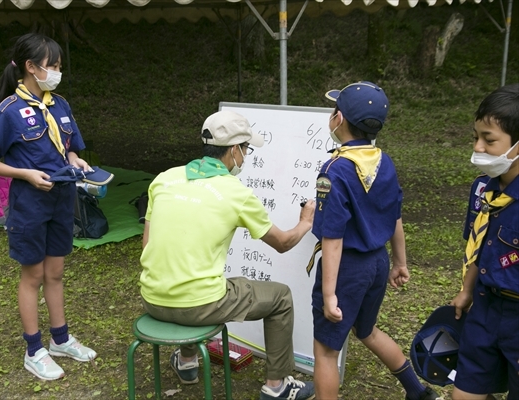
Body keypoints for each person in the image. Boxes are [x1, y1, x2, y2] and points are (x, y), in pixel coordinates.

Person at [139, 110, 317, 400]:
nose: (246, 157)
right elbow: (283, 243)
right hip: (200, 305)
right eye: (246, 150)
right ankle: (277, 386)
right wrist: (306, 222)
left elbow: (147, 247)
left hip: (152, 299)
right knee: (281, 296)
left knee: (193, 277)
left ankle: (186, 362)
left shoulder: (163, 179)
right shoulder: (236, 192)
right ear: (234, 150)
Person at [0, 33, 96, 380]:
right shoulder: (10, 112)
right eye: (53, 66)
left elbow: (70, 147)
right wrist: (25, 174)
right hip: (30, 203)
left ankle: (60, 339)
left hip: (61, 198)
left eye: (58, 65)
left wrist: (77, 160)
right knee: (33, 275)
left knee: (55, 272)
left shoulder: (60, 104)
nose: (57, 72)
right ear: (31, 67)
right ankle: (34, 349)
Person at [310, 81, 440, 400]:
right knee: (366, 331)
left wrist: (329, 294)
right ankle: (417, 391)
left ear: (338, 119)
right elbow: (395, 217)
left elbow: (333, 237)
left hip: (348, 270)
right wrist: (400, 262)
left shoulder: (335, 170)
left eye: (333, 110)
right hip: (378, 263)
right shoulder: (384, 162)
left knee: (326, 352)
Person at [450, 84, 519, 400]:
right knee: (464, 394)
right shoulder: (482, 191)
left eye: (489, 140)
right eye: (476, 137)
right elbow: (476, 247)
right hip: (485, 307)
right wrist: (466, 291)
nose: (478, 147)